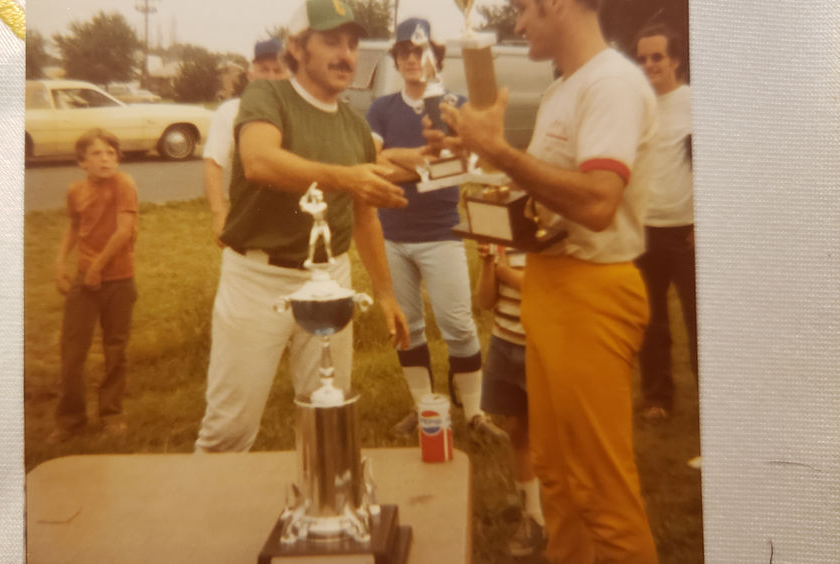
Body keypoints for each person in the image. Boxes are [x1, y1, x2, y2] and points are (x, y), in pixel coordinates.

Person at [430, 0, 660, 561]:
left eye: (526, 11)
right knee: (556, 475)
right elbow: (547, 194)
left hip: (592, 292)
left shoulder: (612, 85)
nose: (518, 25)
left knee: (600, 488)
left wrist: (501, 151)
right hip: (550, 286)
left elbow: (599, 201)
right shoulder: (563, 89)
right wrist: (477, 161)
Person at [194, 0, 409, 453]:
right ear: (297, 47)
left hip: (330, 279)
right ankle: (204, 519)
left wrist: (386, 293)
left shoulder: (354, 125)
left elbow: (366, 217)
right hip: (259, 278)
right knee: (229, 429)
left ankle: (321, 514)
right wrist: (346, 176)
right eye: (331, 41)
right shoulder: (267, 97)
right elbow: (258, 161)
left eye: (352, 44)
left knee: (328, 418)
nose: (346, 54)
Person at [365, 17, 506, 442]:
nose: (412, 59)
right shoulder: (381, 108)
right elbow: (375, 168)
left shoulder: (453, 105)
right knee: (407, 326)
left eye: (420, 51)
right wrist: (422, 160)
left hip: (441, 233)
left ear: (435, 59)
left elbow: (461, 168)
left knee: (458, 325)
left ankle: (475, 414)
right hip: (391, 233)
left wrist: (401, 160)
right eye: (405, 52)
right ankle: (424, 406)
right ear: (397, 59)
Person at [49, 128, 139, 444]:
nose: (106, 159)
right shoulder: (76, 191)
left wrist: (98, 267)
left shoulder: (123, 185)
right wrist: (61, 261)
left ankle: (112, 414)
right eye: (97, 154)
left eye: (111, 153)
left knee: (116, 349)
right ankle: (70, 419)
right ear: (82, 162)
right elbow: (75, 227)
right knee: (72, 351)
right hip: (86, 282)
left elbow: (124, 231)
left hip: (118, 281)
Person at [633, 24, 698, 426]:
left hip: (687, 232)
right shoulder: (638, 105)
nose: (649, 65)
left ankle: (714, 400)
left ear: (675, 59)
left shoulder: (697, 103)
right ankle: (657, 398)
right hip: (644, 230)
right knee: (650, 321)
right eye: (642, 58)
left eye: (656, 57)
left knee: (700, 321)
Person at [476, 244, 545, 557]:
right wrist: (489, 264)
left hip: (542, 346)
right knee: (516, 429)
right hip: (504, 343)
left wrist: (504, 271)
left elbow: (545, 288)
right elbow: (486, 301)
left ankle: (565, 518)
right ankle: (533, 516)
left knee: (551, 436)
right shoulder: (500, 235)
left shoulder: (547, 226)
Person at [203, 38, 290, 246]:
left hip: (292, 223)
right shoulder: (230, 111)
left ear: (289, 75)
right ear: (251, 75)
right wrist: (219, 213)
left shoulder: (298, 112)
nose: (270, 77)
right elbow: (214, 164)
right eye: (263, 69)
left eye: (277, 70)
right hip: (247, 220)